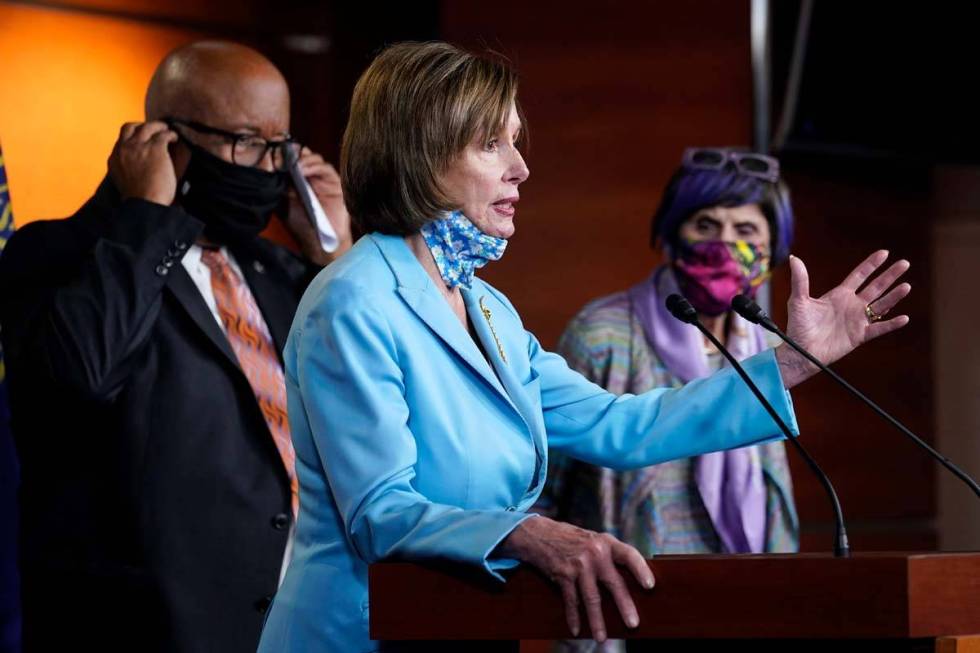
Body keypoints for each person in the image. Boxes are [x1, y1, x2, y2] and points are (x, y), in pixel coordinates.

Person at [256, 41, 911, 653]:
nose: (521, 168)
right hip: (356, 633)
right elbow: (380, 512)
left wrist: (792, 361)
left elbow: (620, 423)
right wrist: (530, 531)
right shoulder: (353, 299)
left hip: (460, 624)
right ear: (420, 155)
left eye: (516, 142)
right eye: (493, 144)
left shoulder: (488, 307)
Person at [0, 41, 351, 652]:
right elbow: (82, 375)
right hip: (148, 632)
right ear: (161, 140)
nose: (268, 170)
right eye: (245, 142)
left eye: (281, 148)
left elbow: (367, 411)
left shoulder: (285, 273)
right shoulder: (55, 254)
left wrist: (336, 257)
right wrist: (144, 213)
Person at [539, 148, 802, 653]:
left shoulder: (764, 346)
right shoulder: (604, 334)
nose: (725, 244)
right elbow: (544, 487)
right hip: (625, 615)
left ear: (773, 249)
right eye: (706, 225)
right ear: (672, 233)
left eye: (746, 231)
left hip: (732, 609)